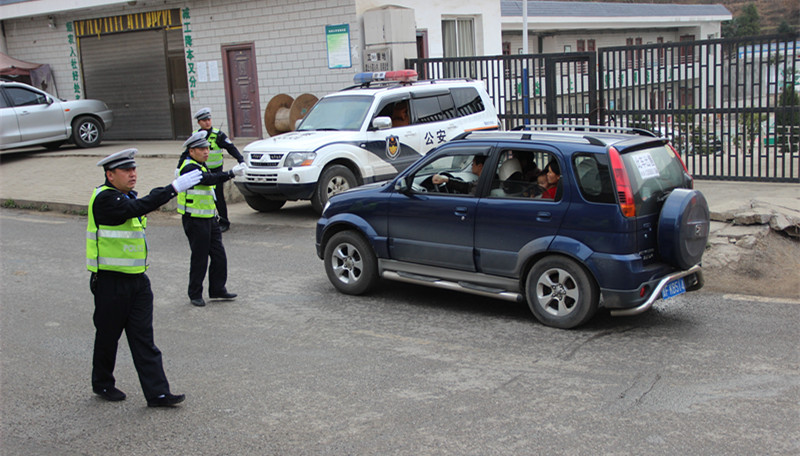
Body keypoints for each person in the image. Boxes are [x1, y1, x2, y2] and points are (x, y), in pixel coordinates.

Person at [87, 148, 202, 407]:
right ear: (110, 174)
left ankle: (158, 393)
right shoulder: (105, 199)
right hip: (110, 283)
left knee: (144, 339)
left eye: (134, 169)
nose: (132, 174)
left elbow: (140, 203)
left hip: (138, 281)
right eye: (126, 170)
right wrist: (173, 188)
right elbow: (138, 207)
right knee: (108, 337)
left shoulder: (126, 196)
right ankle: (103, 383)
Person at [178, 131, 247, 307]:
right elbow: (208, 180)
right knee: (200, 257)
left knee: (219, 255)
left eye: (207, 148)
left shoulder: (200, 164)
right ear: (191, 151)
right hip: (195, 219)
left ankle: (217, 289)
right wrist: (231, 173)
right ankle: (195, 293)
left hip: (209, 218)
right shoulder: (189, 167)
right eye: (201, 149)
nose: (206, 152)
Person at [191, 107, 245, 232]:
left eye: (209, 119)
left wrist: (241, 160)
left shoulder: (218, 134)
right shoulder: (195, 136)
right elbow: (187, 153)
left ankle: (224, 221)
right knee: (203, 196)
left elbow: (230, 148)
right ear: (199, 122)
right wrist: (179, 167)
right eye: (204, 120)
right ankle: (208, 220)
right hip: (201, 171)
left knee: (219, 197)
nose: (207, 122)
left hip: (216, 172)